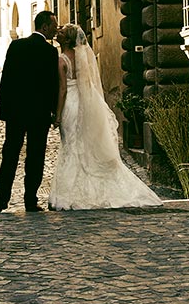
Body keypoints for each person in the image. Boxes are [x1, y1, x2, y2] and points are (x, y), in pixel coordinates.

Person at [49, 24, 163, 210]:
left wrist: (58, 116)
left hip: (70, 104)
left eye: (61, 32)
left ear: (68, 40)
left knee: (70, 144)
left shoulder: (61, 60)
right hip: (85, 102)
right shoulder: (81, 58)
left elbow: (62, 90)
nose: (57, 33)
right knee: (84, 144)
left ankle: (71, 192)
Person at [0, 10, 59, 213]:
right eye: (54, 26)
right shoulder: (50, 52)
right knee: (35, 157)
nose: (56, 30)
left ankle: (1, 201)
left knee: (10, 155)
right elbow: (52, 86)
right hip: (39, 114)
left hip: (16, 113)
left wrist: (4, 109)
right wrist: (54, 112)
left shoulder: (17, 46)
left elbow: (6, 80)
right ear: (44, 26)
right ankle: (30, 200)